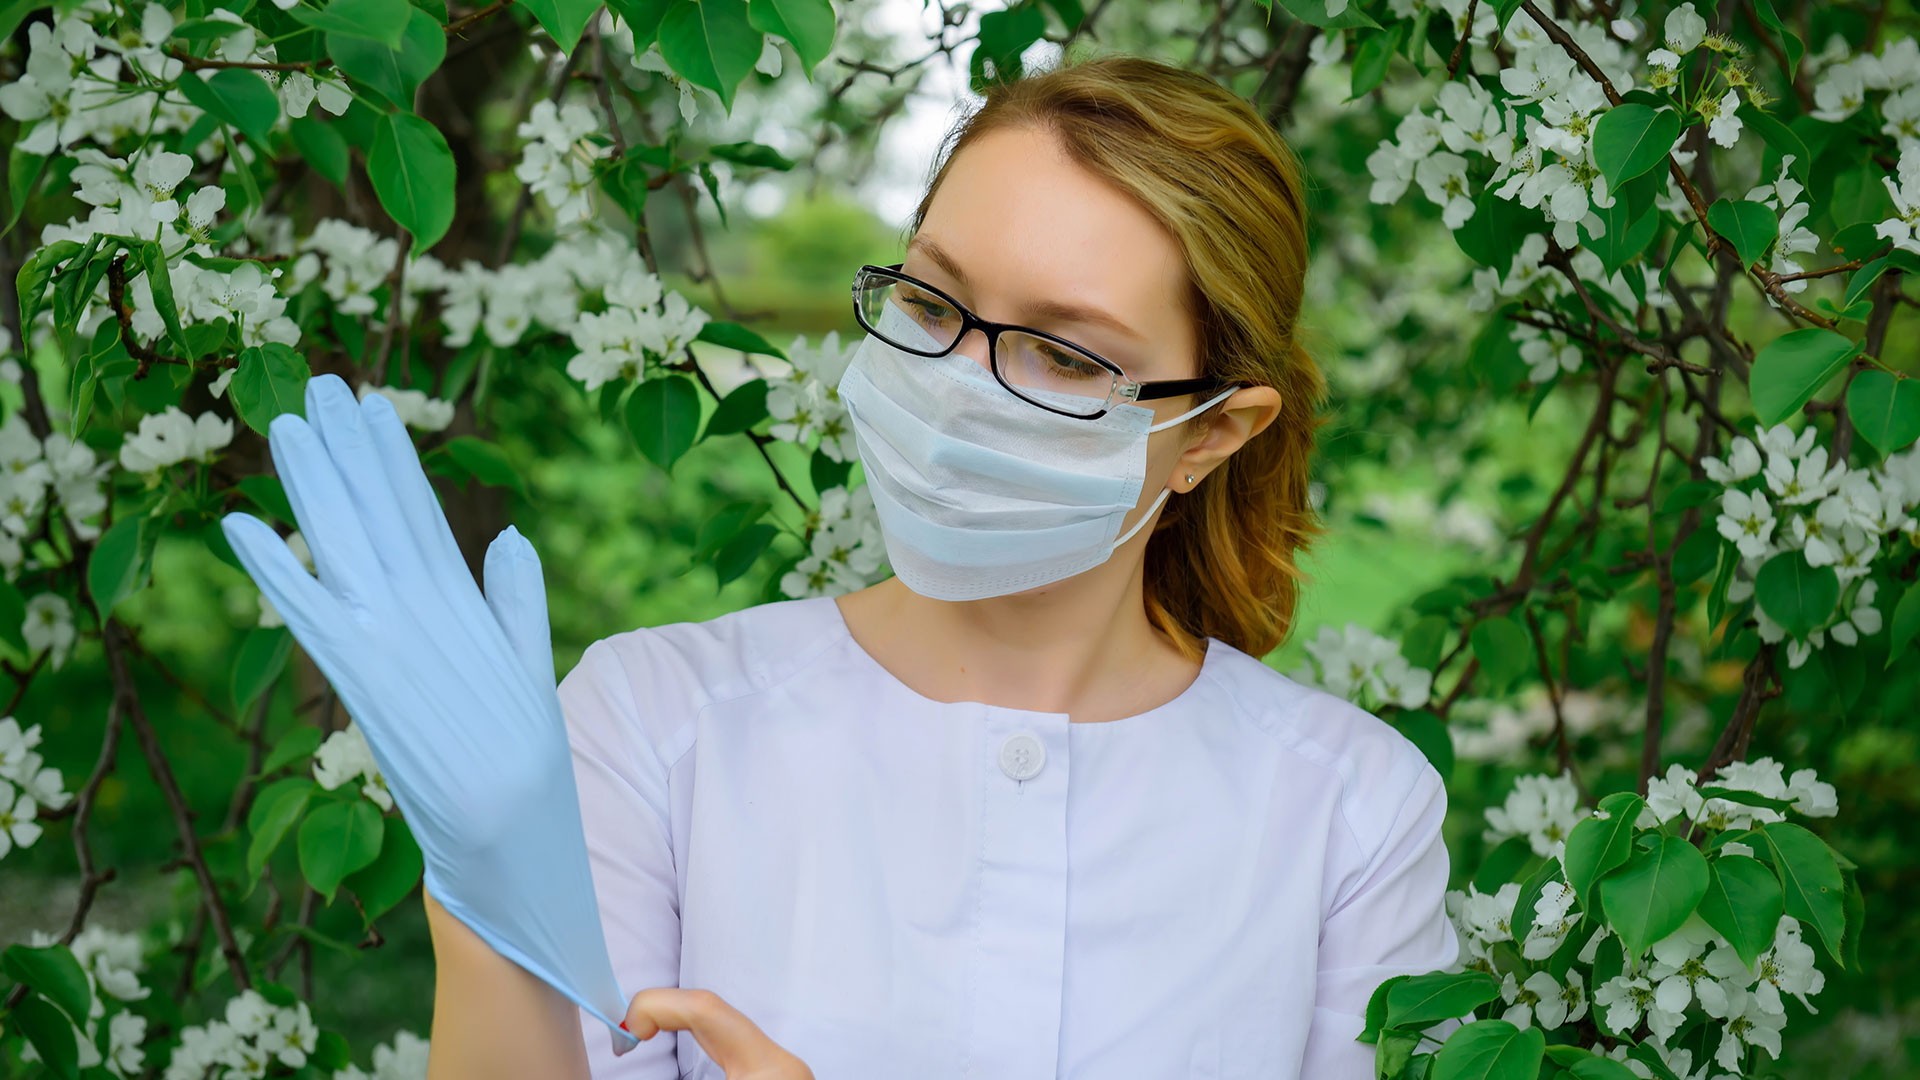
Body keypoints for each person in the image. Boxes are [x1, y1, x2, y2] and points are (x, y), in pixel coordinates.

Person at [222, 52, 1458, 1080]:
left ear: (1209, 433)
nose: (963, 387)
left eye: (1068, 357)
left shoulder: (1350, 818)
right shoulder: (655, 726)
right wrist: (484, 906)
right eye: (932, 302)